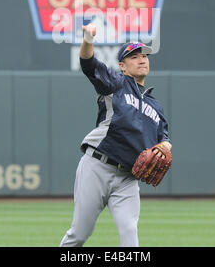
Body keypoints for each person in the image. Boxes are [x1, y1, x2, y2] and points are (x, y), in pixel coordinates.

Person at [59, 23, 172, 247]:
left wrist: (165, 148)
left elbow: (164, 140)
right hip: (97, 167)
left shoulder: (155, 106)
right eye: (134, 57)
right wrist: (88, 39)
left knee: (130, 235)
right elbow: (88, 64)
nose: (142, 59)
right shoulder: (116, 84)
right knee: (79, 234)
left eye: (144, 56)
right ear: (122, 66)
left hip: (127, 179)